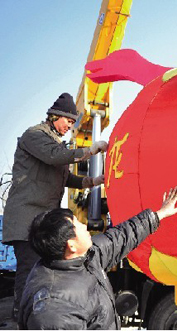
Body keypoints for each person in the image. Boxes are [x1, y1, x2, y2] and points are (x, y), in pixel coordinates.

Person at [1, 92, 108, 319]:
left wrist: (94, 181)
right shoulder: (35, 136)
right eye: (68, 121)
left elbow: (66, 177)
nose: (70, 127)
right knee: (29, 273)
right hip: (26, 219)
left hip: (41, 221)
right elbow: (54, 156)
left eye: (72, 123)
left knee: (40, 274)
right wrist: (89, 151)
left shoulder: (56, 144)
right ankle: (21, 320)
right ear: (54, 116)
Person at [18, 187, 177, 330]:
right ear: (71, 245)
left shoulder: (85, 258)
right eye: (77, 225)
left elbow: (121, 237)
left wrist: (158, 215)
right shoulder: (53, 309)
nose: (84, 226)